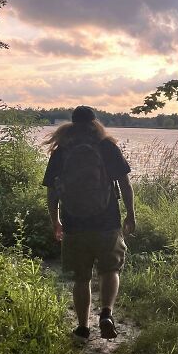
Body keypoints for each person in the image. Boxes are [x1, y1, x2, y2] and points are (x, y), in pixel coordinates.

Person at [43, 106, 136, 340]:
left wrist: (56, 220)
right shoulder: (106, 146)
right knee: (110, 270)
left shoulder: (62, 150)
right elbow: (125, 184)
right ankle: (106, 313)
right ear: (95, 123)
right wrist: (130, 214)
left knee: (81, 278)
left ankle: (83, 328)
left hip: (74, 223)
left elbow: (52, 192)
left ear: (72, 124)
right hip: (107, 222)